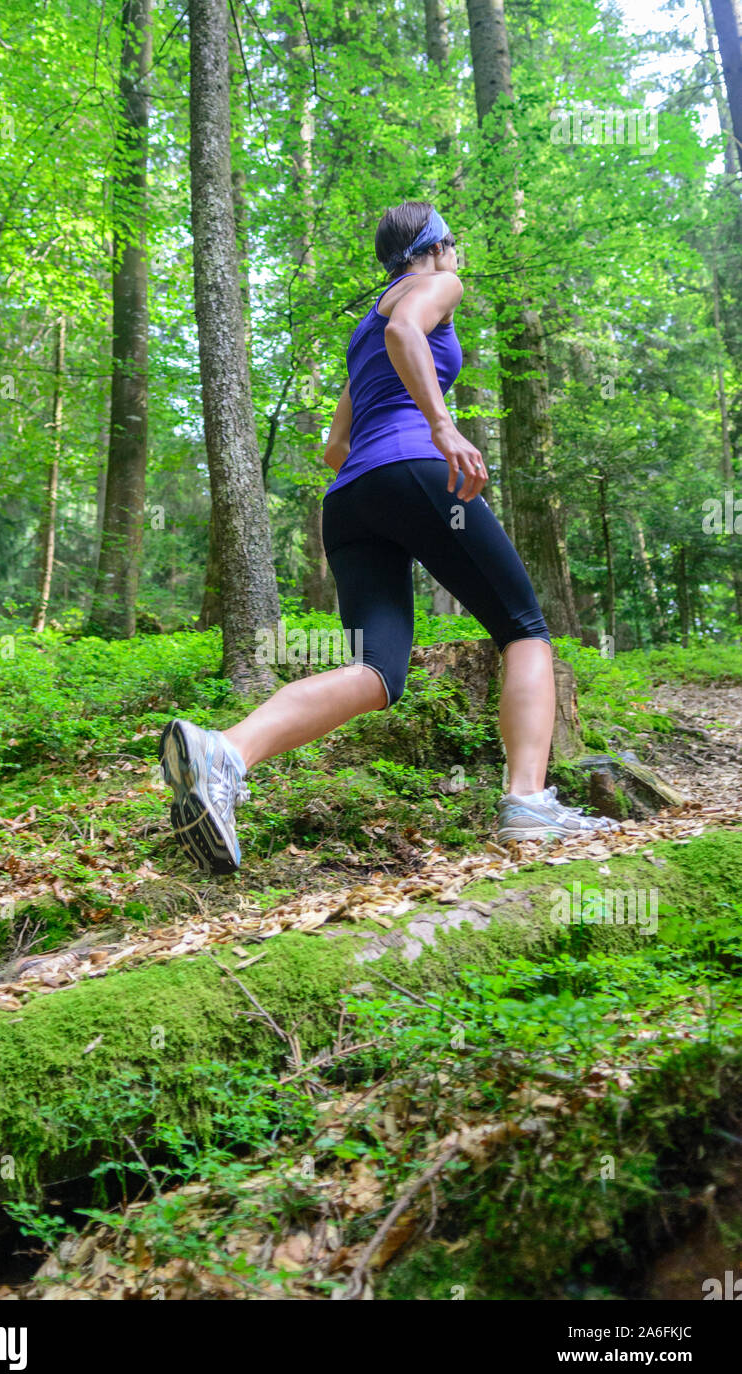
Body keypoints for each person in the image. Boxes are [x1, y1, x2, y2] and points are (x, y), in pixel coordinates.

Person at [159, 200, 618, 874]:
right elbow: (410, 330)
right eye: (453, 244)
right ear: (434, 248)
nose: (458, 260)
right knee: (523, 630)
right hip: (412, 469)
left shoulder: (362, 330)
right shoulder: (435, 287)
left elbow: (335, 445)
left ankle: (224, 752)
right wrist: (440, 426)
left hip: (350, 502)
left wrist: (392, 477)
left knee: (378, 671)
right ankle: (527, 803)